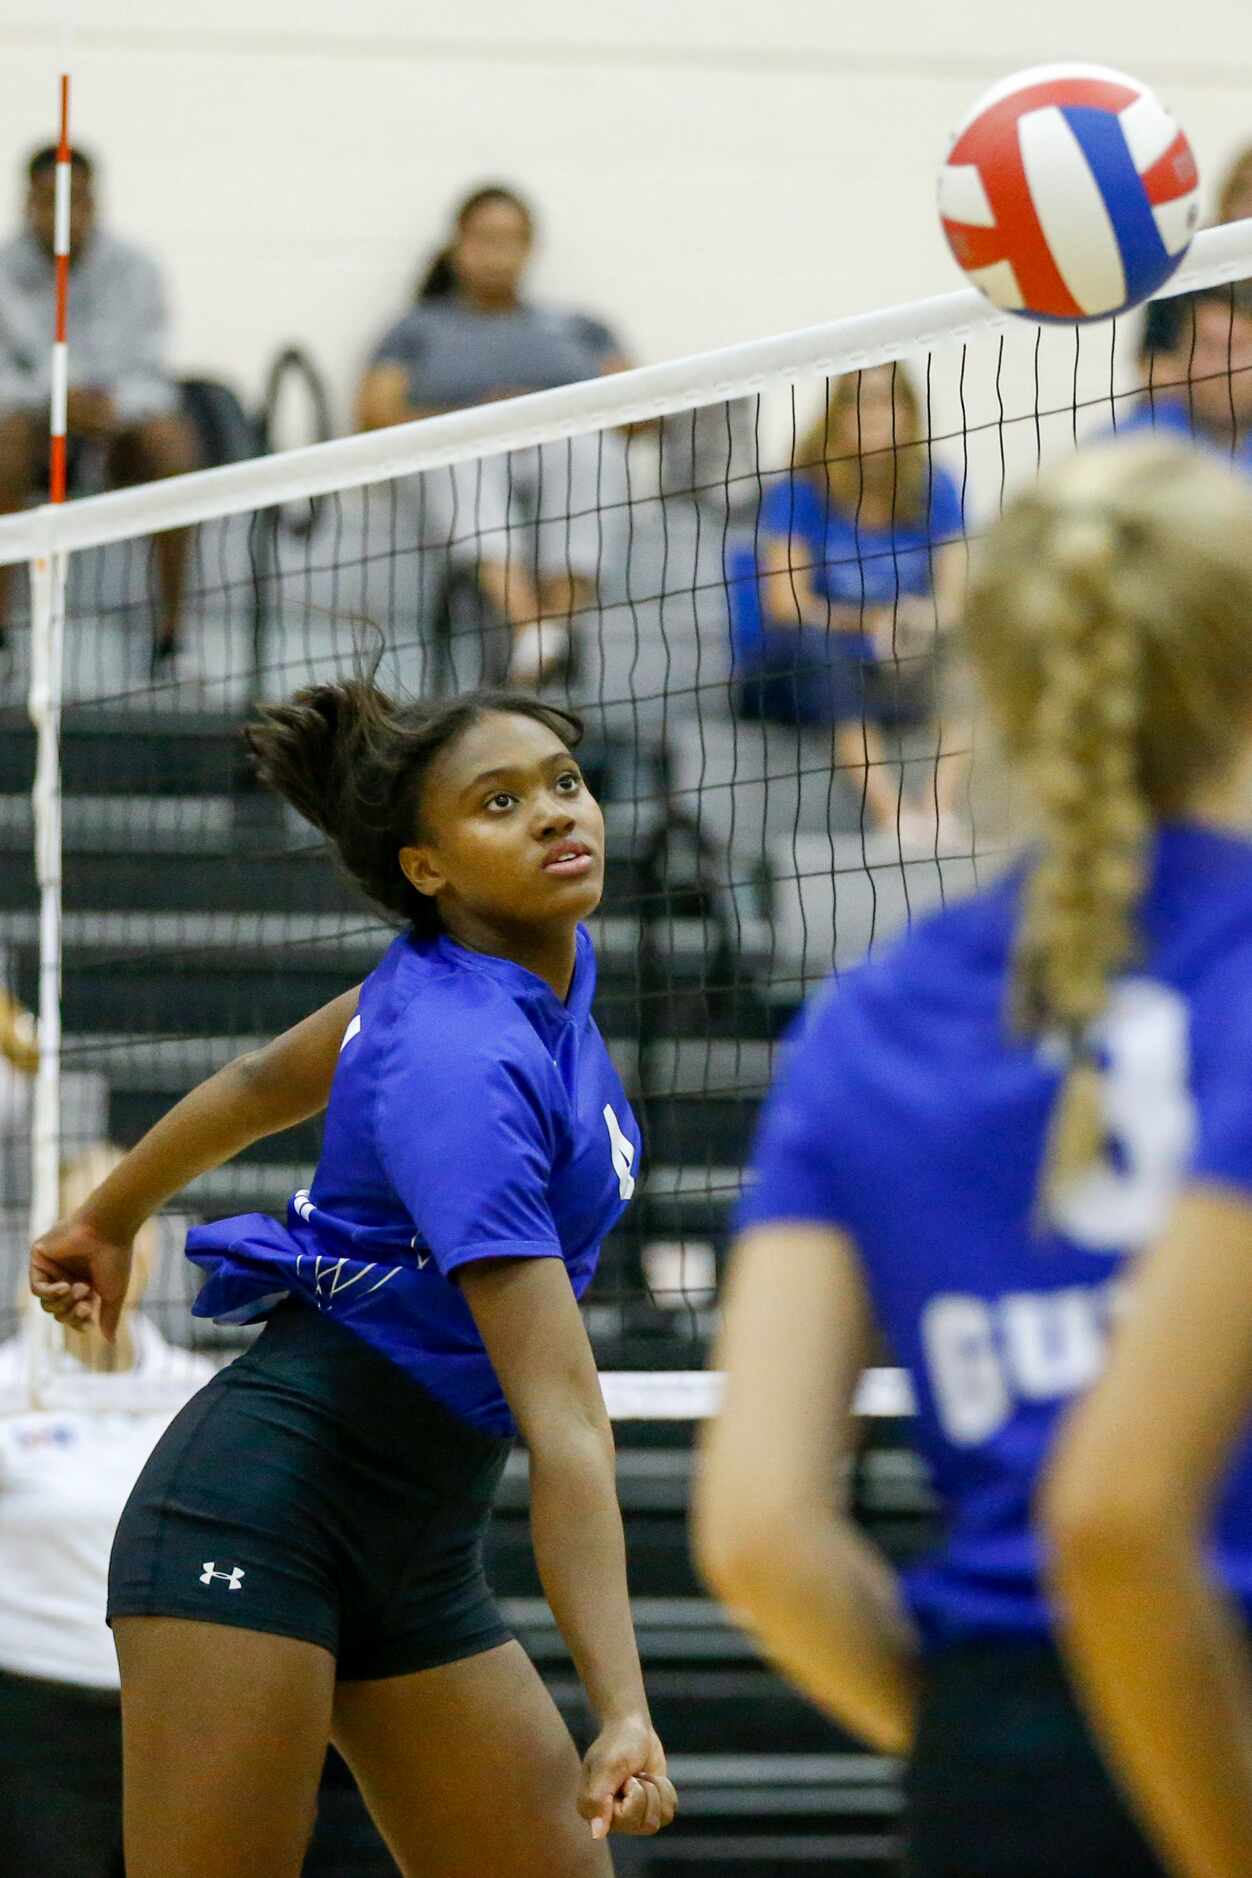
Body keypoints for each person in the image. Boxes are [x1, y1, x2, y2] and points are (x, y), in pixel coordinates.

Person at [694, 436, 1252, 1878]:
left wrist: (988, 1742)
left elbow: (757, 1533)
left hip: (1008, 1770)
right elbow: (1121, 1513)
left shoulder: (863, 1021)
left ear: (988, 683)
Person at [30, 677, 677, 1878]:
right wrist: (622, 1707)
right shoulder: (461, 1068)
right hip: (256, 1520)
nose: (552, 814)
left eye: (563, 782)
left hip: (416, 1549)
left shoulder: (520, 966)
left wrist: (105, 1218)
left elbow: (262, 1084)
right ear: (427, 868)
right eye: (500, 802)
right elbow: (566, 1417)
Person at [357, 185, 630, 688]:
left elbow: (639, 410)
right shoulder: (415, 329)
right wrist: (476, 419)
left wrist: (548, 415)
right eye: (485, 238)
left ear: (530, 248)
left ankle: (548, 634)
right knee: (455, 450)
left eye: (510, 239)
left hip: (557, 447)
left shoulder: (579, 328)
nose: (497, 254)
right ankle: (536, 633)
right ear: (459, 243)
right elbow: (375, 412)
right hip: (465, 455)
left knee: (596, 450)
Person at [743, 364, 967, 844]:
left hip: (896, 661)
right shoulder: (799, 491)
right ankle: (892, 816)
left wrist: (917, 621)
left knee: (976, 647)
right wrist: (871, 623)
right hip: (797, 673)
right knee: (819, 650)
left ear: (908, 413)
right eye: (858, 403)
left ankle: (938, 810)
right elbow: (786, 605)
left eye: (886, 401)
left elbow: (953, 599)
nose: (873, 415)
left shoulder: (936, 487)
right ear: (836, 415)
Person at [0, 146, 199, 672]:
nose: (66, 213)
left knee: (171, 442)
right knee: (6, 440)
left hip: (116, 434)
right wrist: (55, 399)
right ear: (28, 203)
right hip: (33, 434)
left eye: (78, 200)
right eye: (50, 201)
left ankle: (172, 638)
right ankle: (1, 638)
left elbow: (154, 373)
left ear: (95, 201)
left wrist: (109, 407)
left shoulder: (138, 269)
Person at [1121, 285, 1252, 463]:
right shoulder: (1125, 447)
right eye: (1208, 347)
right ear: (1180, 355)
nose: (1222, 368)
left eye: (1237, 346)